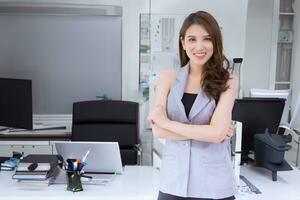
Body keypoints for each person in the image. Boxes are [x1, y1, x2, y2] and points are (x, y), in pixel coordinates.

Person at [148, 11, 238, 200]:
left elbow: (216, 135)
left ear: (215, 42)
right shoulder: (168, 78)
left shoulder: (228, 81)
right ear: (183, 42)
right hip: (173, 183)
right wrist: (209, 132)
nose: (199, 46)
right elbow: (157, 132)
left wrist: (167, 123)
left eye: (207, 39)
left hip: (214, 185)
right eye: (192, 39)